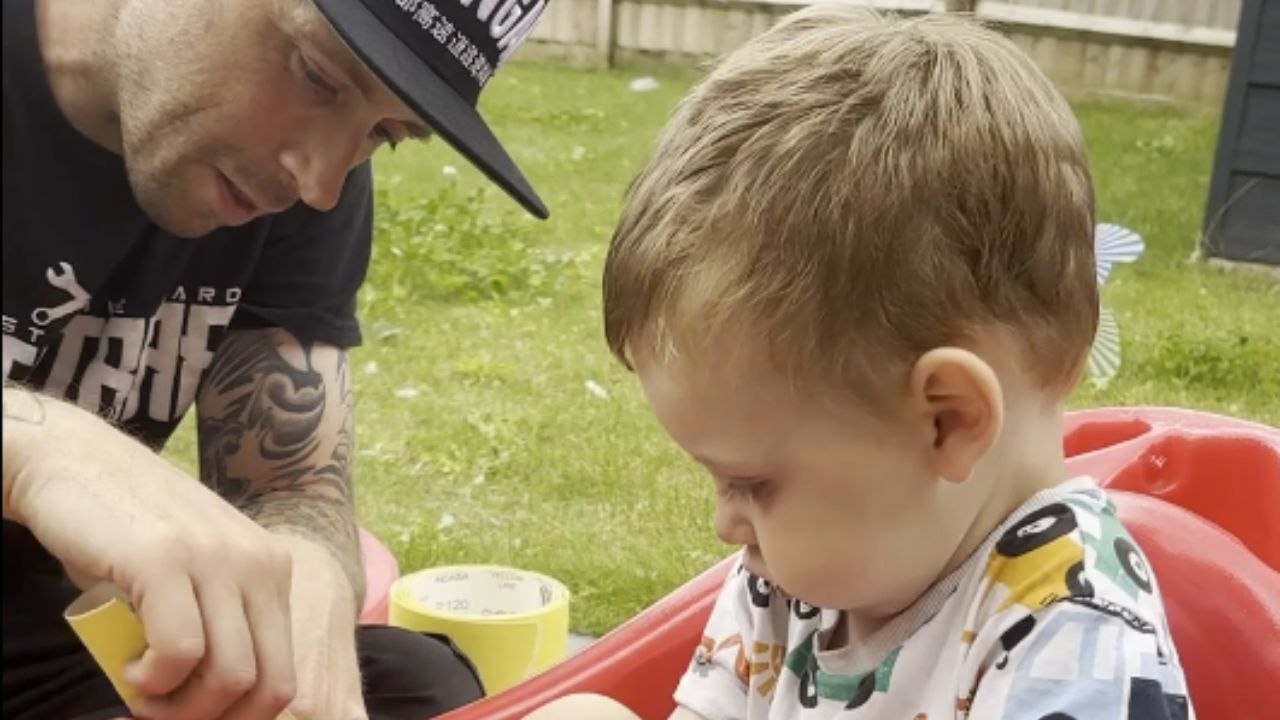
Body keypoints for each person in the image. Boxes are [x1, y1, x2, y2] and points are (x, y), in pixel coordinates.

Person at [525, 6, 1194, 719]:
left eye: (750, 482)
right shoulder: (799, 575)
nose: (726, 522)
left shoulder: (1073, 642)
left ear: (947, 420)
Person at [2, 0, 551, 718]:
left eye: (383, 133)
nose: (319, 182)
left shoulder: (301, 193)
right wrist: (38, 450)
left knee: (418, 684)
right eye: (316, 74)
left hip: (67, 643)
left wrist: (309, 576)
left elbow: (291, 484)